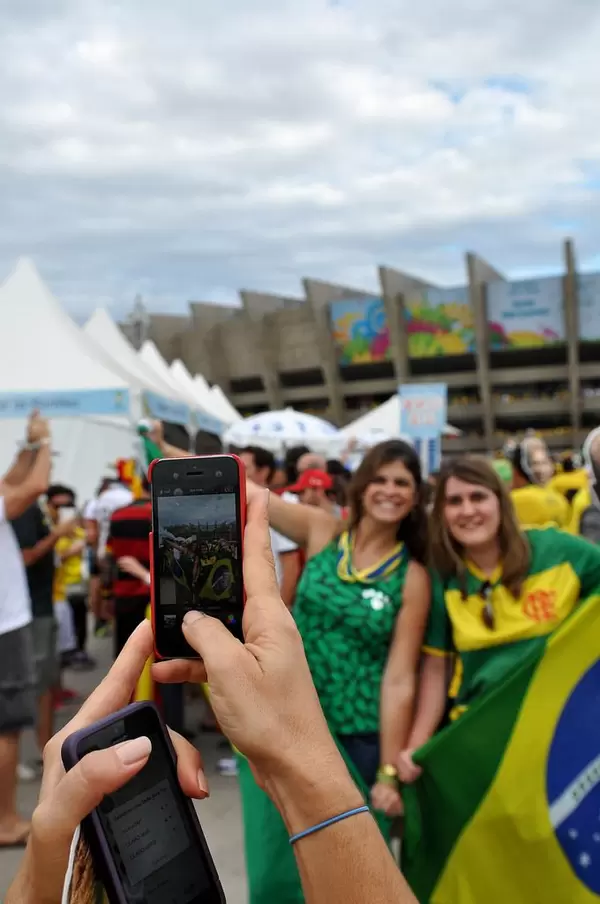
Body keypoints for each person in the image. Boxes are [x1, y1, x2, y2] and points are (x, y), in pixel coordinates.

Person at [6, 490, 417, 904]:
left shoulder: (410, 570)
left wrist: (34, 892)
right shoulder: (329, 533)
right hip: (299, 705)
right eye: (379, 481)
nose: (389, 492)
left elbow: (403, 675)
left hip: (348, 718)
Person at [399, 455, 600, 781]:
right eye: (454, 501)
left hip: (562, 734)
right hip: (481, 740)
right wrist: (415, 747)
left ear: (501, 501)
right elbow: (437, 670)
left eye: (478, 497)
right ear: (442, 514)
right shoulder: (443, 579)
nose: (467, 510)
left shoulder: (561, 551)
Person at [0, 412, 53, 848]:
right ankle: (4, 821)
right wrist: (48, 442)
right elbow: (31, 487)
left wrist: (30, 446)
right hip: (5, 623)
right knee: (7, 726)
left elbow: (11, 479)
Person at [11, 451, 79, 779]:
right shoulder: (21, 510)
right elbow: (26, 557)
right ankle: (28, 755)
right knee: (32, 686)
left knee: (46, 683)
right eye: (47, 462)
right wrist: (58, 534)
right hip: (31, 610)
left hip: (42, 607)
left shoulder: (34, 509)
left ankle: (45, 750)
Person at [239, 446, 301, 608]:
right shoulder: (238, 503)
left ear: (264, 471)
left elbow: (291, 565)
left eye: (245, 468)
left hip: (270, 606)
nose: (238, 472)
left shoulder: (279, 506)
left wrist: (282, 608)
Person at [46, 485, 90, 670]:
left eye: (68, 505)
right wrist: (70, 549)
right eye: (58, 506)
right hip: (61, 587)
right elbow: (50, 557)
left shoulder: (78, 529)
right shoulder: (49, 531)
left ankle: (77, 652)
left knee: (80, 622)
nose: (64, 510)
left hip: (79, 583)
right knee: (63, 629)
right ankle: (67, 658)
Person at [508, 439, 569, 528]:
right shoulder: (560, 499)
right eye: (536, 463)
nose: (541, 469)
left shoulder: (513, 499)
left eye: (543, 463)